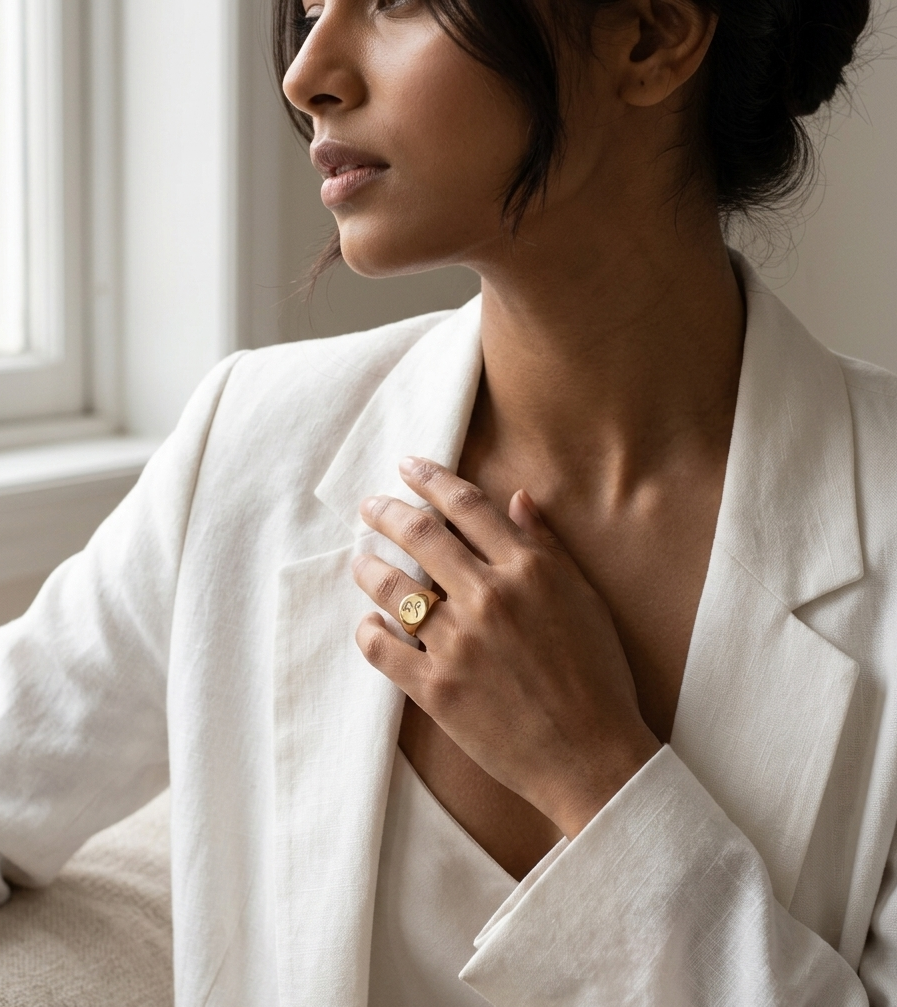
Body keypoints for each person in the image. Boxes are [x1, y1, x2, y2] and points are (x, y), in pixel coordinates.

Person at [0, 0, 891, 1003]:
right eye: (307, 8)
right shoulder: (250, 443)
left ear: (648, 33)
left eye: (392, 2)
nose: (307, 74)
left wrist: (596, 774)